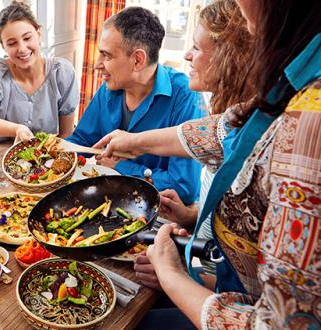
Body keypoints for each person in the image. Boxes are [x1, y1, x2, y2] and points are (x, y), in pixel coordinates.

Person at [96, 0, 321, 327]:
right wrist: (132, 142)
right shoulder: (293, 80)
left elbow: (278, 323)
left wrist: (173, 275)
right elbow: (224, 130)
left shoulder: (311, 120)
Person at [140, 0, 253, 279]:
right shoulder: (230, 117)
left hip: (208, 287)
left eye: (198, 48)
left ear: (231, 59)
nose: (188, 55)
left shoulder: (254, 138)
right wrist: (190, 215)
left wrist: (174, 276)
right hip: (194, 264)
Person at [66, 7, 204, 205]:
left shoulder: (186, 97)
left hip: (158, 213)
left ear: (138, 60)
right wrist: (47, 154)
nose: (97, 64)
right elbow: (82, 140)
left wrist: (122, 167)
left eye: (106, 55)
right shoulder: (110, 87)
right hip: (108, 200)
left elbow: (184, 188)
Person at [0, 1, 79, 146]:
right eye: (11, 43)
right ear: (3, 46)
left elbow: (66, 136)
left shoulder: (62, 72)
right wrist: (17, 129)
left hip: (47, 157)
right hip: (3, 156)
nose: (22, 48)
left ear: (39, 33)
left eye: (27, 38)